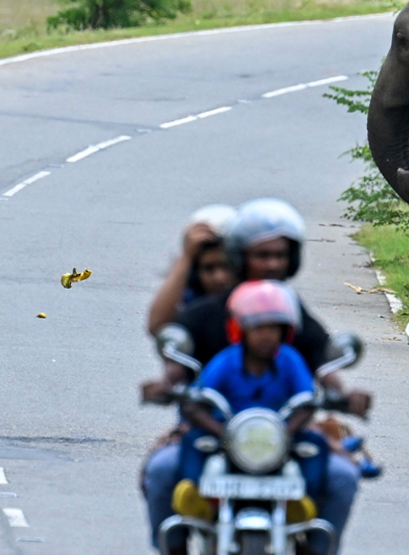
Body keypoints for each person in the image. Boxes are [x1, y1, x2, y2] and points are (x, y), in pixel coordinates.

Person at [140, 198, 369, 555]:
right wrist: (167, 386)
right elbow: (174, 352)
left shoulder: (291, 312)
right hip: (213, 431)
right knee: (162, 470)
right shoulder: (208, 311)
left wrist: (343, 393)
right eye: (262, 255)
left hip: (282, 435)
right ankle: (175, 546)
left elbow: (322, 360)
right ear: (239, 256)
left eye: (280, 256)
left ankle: (317, 547)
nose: (273, 264)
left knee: (342, 476)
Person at [173, 280, 327, 523]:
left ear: (284, 332)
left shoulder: (289, 359)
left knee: (316, 444)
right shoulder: (226, 360)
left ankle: (304, 501)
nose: (267, 335)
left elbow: (306, 401)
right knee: (192, 442)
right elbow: (196, 400)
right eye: (258, 328)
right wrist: (222, 432)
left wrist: (288, 432)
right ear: (240, 329)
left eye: (273, 328)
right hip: (227, 435)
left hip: (278, 436)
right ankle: (197, 497)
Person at [145, 204, 236, 335]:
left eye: (227, 266)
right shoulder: (191, 302)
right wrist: (187, 256)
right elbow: (158, 327)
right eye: (209, 268)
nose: (219, 277)